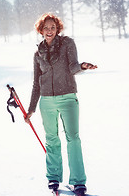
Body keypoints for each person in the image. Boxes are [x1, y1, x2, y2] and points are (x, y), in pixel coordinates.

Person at [25, 13, 97, 195]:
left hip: (67, 97)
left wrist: (82, 66)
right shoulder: (37, 53)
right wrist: (31, 108)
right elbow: (36, 82)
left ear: (58, 29)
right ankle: (53, 178)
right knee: (52, 141)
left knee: (73, 139)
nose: (49, 31)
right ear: (40, 30)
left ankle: (78, 181)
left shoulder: (67, 44)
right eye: (46, 28)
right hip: (46, 101)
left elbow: (73, 67)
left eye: (53, 27)